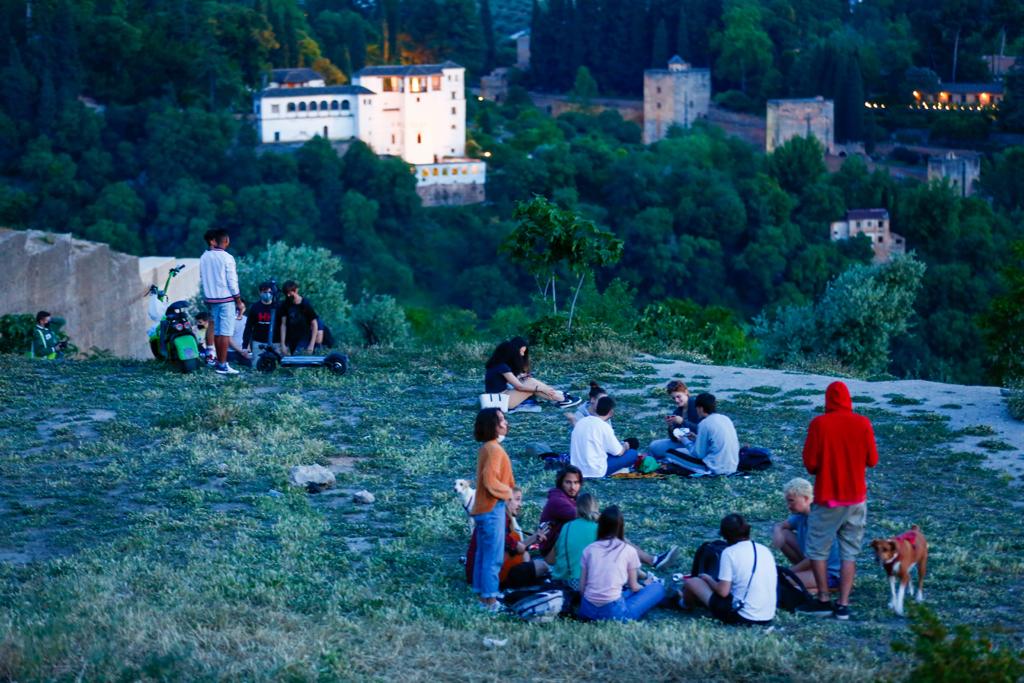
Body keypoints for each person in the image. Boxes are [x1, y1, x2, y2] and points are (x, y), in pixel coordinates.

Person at [797, 381, 879, 621]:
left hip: (828, 499)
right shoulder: (863, 423)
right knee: (849, 553)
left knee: (817, 550)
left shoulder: (819, 425)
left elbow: (811, 464)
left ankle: (823, 599)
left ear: (828, 400)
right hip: (856, 499)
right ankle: (843, 604)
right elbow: (872, 460)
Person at [539, 465, 676, 569]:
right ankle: (650, 561)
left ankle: (645, 561)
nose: (573, 487)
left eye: (576, 483)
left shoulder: (568, 498)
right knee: (609, 532)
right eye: (568, 482)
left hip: (563, 545)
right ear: (560, 483)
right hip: (551, 553)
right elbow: (587, 516)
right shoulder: (558, 501)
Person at [681, 513, 777, 626]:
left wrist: (707, 579)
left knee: (693, 582)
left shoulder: (729, 553)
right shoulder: (764, 549)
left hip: (743, 616)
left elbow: (723, 592)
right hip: (768, 615)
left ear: (725, 535)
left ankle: (684, 604)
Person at [578, 506, 667, 622]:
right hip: (614, 612)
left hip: (587, 611)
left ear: (600, 526)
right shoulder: (628, 550)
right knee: (657, 588)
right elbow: (634, 587)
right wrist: (645, 585)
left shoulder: (589, 549)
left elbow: (582, 589)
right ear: (621, 527)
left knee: (622, 594)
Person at [470, 408, 516, 612]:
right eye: (501, 421)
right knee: (493, 556)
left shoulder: (486, 447)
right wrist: (508, 494)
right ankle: (490, 601)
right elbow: (490, 480)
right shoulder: (495, 449)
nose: (505, 423)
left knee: (483, 554)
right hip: (492, 508)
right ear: (492, 426)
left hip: (481, 508)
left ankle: (482, 594)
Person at [772, 477, 841, 595]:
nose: (788, 506)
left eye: (791, 501)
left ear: (805, 498)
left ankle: (825, 588)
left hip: (829, 572)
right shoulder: (801, 515)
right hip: (813, 564)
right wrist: (777, 530)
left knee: (784, 580)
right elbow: (781, 526)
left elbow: (813, 558)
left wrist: (788, 572)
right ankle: (810, 584)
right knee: (784, 534)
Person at [484, 337, 580, 411]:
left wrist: (523, 378)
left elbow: (512, 379)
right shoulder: (502, 367)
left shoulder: (495, 365)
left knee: (529, 381)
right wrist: (539, 388)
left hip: (499, 398)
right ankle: (561, 398)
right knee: (531, 385)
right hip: (503, 401)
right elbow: (519, 387)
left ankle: (560, 397)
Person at [198, 228, 243, 375]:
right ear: (214, 241)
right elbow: (232, 281)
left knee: (217, 332)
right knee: (225, 333)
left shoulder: (204, 257)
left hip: (211, 299)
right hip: (226, 299)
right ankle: (223, 365)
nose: (226, 244)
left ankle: (219, 362)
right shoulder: (227, 258)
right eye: (225, 241)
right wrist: (238, 301)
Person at [668, 393, 739, 475]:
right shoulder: (725, 419)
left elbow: (698, 454)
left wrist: (684, 440)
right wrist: (696, 438)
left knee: (670, 453)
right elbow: (714, 442)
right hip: (732, 467)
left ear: (700, 408)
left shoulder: (704, 423)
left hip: (715, 468)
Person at [570, 396, 637, 479]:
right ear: (611, 412)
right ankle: (617, 470)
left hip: (576, 469)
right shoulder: (604, 426)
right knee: (632, 454)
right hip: (596, 471)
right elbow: (619, 452)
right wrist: (625, 446)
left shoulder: (581, 422)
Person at [546, 492, 599, 590]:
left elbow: (550, 560)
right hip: (581, 584)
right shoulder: (599, 529)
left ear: (577, 508)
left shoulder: (567, 526)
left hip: (559, 581)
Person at [646, 379, 702, 461]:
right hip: (684, 443)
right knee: (654, 446)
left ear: (686, 392)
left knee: (675, 454)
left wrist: (683, 422)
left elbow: (702, 430)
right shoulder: (678, 411)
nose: (676, 400)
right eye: (674, 398)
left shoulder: (697, 407)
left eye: (678, 396)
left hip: (698, 445)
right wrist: (671, 427)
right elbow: (674, 439)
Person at [277, 281, 319, 356]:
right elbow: (283, 325)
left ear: (296, 290)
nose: (288, 295)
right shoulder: (285, 304)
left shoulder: (305, 303)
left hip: (304, 338)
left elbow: (314, 324)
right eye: (286, 293)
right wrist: (283, 344)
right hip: (290, 338)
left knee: (299, 359)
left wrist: (311, 345)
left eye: (290, 293)